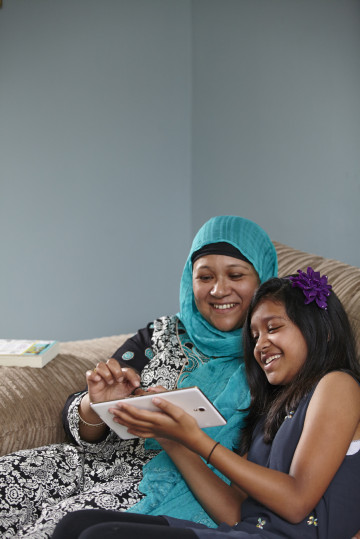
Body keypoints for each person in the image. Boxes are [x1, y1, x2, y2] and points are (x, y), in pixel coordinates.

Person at [0, 215, 278, 538]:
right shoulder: (160, 335)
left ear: (263, 281)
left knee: (51, 528)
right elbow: (78, 427)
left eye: (235, 275)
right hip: (89, 464)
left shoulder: (270, 360)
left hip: (153, 489)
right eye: (204, 276)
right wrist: (96, 405)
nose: (218, 290)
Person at [52, 268, 360, 539]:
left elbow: (296, 503)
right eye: (253, 336)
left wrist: (196, 439)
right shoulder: (273, 410)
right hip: (242, 532)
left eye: (274, 328)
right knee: (75, 524)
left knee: (102, 535)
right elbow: (235, 512)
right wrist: (172, 439)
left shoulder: (338, 385)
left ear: (326, 331)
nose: (260, 345)